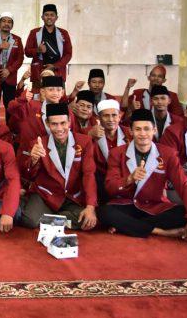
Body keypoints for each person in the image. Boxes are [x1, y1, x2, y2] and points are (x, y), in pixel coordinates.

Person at [97, 109, 187, 242]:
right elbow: (110, 187)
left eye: (147, 129)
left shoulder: (168, 154)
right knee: (104, 212)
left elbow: (182, 185)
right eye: (138, 129)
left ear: (154, 130)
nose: (142, 134)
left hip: (154, 206)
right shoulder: (117, 153)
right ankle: (161, 232)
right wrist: (129, 179)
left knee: (184, 213)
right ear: (131, 131)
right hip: (127, 205)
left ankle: (126, 225)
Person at [17, 102, 98, 230]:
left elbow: (89, 174)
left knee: (88, 221)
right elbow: (28, 176)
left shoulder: (84, 142)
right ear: (47, 124)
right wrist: (33, 160)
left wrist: (90, 206)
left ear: (69, 122)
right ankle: (53, 217)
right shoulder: (38, 143)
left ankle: (48, 218)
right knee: (30, 221)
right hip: (46, 195)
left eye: (63, 123)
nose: (59, 129)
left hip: (71, 196)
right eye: (54, 124)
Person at [90, 99, 132, 203]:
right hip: (100, 181)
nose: (111, 119)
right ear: (99, 118)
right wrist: (89, 137)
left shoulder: (129, 133)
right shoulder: (91, 133)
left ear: (119, 117)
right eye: (106, 116)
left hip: (125, 178)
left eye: (114, 115)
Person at [8, 75, 69, 142]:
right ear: (42, 91)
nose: (55, 93)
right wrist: (21, 100)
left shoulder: (68, 112)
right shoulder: (31, 106)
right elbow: (12, 109)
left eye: (58, 90)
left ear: (62, 92)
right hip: (31, 147)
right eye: (51, 89)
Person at [0, 12, 24, 110]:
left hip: (10, 77)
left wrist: (9, 70)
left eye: (9, 22)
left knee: (10, 107)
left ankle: (10, 122)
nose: (6, 24)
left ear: (12, 25)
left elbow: (20, 58)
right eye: (4, 21)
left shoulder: (17, 39)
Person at [24, 3, 73, 84]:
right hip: (39, 72)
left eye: (52, 15)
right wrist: (37, 50)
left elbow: (68, 54)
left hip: (58, 72)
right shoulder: (34, 32)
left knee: (57, 92)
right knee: (38, 92)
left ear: (56, 17)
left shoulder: (63, 33)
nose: (49, 17)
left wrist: (55, 66)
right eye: (46, 15)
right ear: (42, 17)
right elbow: (27, 52)